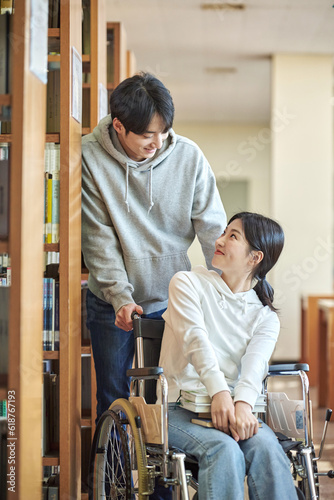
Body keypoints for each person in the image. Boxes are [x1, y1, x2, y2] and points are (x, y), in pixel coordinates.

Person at [81, 72, 226, 424]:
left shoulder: (189, 156)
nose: (158, 142)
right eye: (147, 135)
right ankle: (110, 477)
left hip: (172, 296)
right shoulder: (89, 156)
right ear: (119, 126)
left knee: (165, 397)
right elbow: (98, 237)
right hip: (111, 300)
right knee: (112, 397)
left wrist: (225, 289)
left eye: (163, 132)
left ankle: (160, 480)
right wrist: (120, 296)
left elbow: (213, 228)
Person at [159, 212, 298, 500]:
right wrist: (220, 392)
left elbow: (254, 366)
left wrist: (243, 404)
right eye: (224, 232)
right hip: (177, 408)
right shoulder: (187, 283)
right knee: (223, 449)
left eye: (232, 236)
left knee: (268, 450)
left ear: (254, 258)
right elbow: (195, 341)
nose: (219, 240)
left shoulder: (265, 316)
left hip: (235, 409)